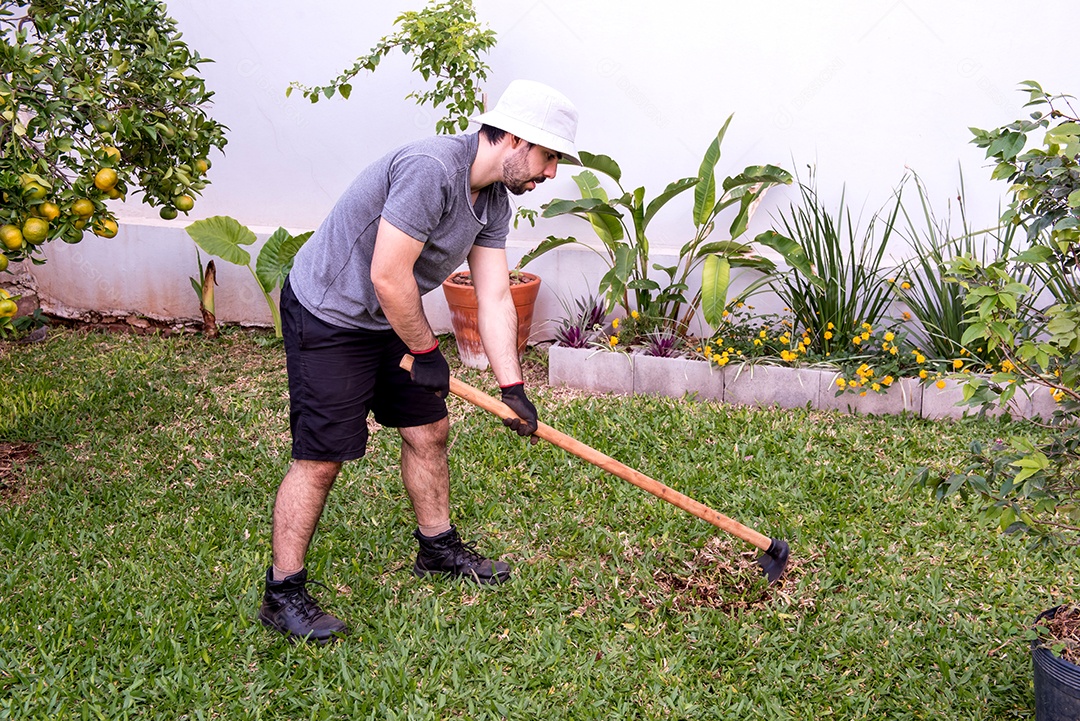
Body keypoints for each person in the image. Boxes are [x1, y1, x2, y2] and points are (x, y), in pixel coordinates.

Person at [257, 80, 581, 644]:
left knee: (429, 429)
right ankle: (282, 592)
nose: (551, 172)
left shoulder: (495, 201)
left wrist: (512, 385)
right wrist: (426, 351)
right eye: (548, 155)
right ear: (512, 139)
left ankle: (437, 549)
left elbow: (495, 293)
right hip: (329, 313)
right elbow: (387, 274)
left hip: (388, 314)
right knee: (323, 455)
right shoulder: (431, 169)